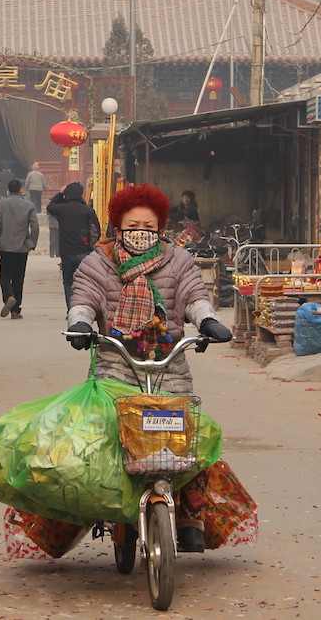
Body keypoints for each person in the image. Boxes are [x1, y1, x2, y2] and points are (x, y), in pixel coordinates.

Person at [65, 183, 232, 554]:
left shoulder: (178, 260)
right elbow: (84, 298)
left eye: (149, 226)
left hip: (169, 359)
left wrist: (207, 322)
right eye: (133, 225)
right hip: (116, 358)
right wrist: (80, 323)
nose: (141, 232)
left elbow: (194, 296)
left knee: (184, 439)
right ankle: (110, 505)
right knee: (110, 434)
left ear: (160, 228)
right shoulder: (98, 262)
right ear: (118, 227)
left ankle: (190, 517)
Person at [47, 182, 102, 308]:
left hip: (66, 252)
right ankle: (84, 307)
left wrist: (60, 193)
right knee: (85, 282)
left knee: (68, 282)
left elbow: (50, 207)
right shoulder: (87, 210)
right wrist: (91, 246)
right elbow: (96, 230)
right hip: (84, 251)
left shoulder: (62, 209)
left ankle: (71, 309)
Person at [0, 179, 38, 319]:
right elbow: (34, 226)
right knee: (18, 278)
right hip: (22, 247)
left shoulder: (2, 204)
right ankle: (15, 311)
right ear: (21, 190)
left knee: (4, 276)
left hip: (5, 246)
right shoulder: (29, 205)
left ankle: (8, 297)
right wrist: (31, 243)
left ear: (8, 191)